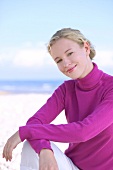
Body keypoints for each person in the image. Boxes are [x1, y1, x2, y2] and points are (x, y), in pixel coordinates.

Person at [2, 28, 113, 170]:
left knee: (32, 134)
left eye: (70, 53)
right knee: (31, 145)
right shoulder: (66, 90)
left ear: (86, 48)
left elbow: (83, 132)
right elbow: (35, 122)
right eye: (59, 60)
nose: (66, 63)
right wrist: (44, 149)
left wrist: (26, 131)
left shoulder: (110, 87)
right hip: (72, 166)